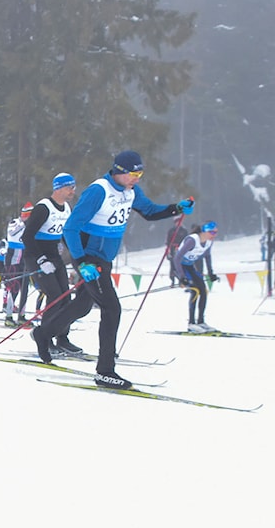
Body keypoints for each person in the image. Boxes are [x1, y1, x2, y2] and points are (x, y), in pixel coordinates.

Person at [32, 151, 195, 388]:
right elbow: (70, 229)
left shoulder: (131, 192)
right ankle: (105, 371)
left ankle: (43, 333)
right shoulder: (98, 191)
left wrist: (176, 208)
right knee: (111, 308)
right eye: (133, 173)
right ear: (118, 170)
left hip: (104, 258)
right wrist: (82, 261)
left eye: (140, 174)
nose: (137, 179)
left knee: (83, 305)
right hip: (88, 256)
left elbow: (149, 212)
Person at [22, 173, 80, 353]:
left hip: (53, 255)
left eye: (73, 187)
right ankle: (44, 337)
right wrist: (41, 260)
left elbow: (63, 234)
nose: (72, 191)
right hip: (36, 256)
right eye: (70, 187)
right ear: (59, 188)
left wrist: (76, 252)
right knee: (54, 297)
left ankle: (62, 337)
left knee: (66, 297)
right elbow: (27, 236)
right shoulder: (43, 207)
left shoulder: (67, 208)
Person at [173, 221, 219, 332]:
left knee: (204, 291)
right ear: (204, 231)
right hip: (180, 267)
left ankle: (201, 322)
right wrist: (182, 277)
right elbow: (177, 258)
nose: (214, 235)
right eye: (212, 232)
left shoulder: (208, 242)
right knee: (195, 290)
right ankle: (191, 323)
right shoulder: (192, 240)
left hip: (189, 267)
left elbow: (207, 256)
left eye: (216, 232)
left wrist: (211, 273)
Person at [2, 203, 33, 327]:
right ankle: (8, 316)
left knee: (25, 288)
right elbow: (13, 233)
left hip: (25, 258)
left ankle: (22, 315)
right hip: (13, 258)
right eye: (26, 215)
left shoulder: (32, 226)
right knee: (14, 287)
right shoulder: (15, 222)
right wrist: (25, 223)